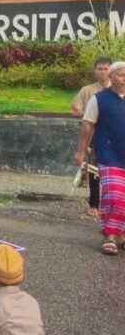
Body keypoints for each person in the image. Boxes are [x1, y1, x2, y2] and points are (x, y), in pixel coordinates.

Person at [75, 60, 125, 254]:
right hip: (109, 154)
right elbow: (88, 125)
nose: (124, 79)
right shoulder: (99, 99)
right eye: (121, 75)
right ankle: (109, 236)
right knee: (114, 195)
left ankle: (122, 234)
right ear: (111, 77)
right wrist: (81, 152)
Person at [72, 57, 111, 218]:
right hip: (95, 136)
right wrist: (92, 113)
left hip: (116, 136)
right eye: (100, 69)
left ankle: (112, 205)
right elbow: (75, 110)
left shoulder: (118, 90)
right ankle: (94, 204)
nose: (103, 72)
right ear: (95, 71)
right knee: (94, 170)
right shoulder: (88, 90)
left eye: (106, 69)